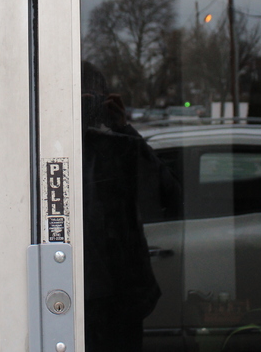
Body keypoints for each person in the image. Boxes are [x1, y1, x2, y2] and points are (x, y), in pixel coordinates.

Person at [81, 61, 180, 352]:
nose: (86, 108)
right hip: (75, 293)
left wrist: (123, 126)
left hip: (119, 298)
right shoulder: (50, 150)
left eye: (93, 100)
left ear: (106, 102)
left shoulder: (119, 148)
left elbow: (170, 196)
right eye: (81, 100)